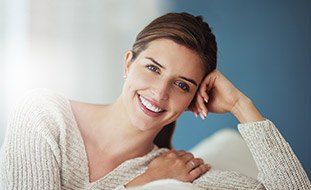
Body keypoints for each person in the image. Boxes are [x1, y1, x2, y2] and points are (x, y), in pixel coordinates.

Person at [0, 12, 310, 190]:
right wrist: (145, 183)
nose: (160, 94)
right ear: (127, 63)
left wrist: (241, 105)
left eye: (181, 84)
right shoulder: (43, 115)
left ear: (193, 99)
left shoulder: (177, 169)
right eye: (152, 68)